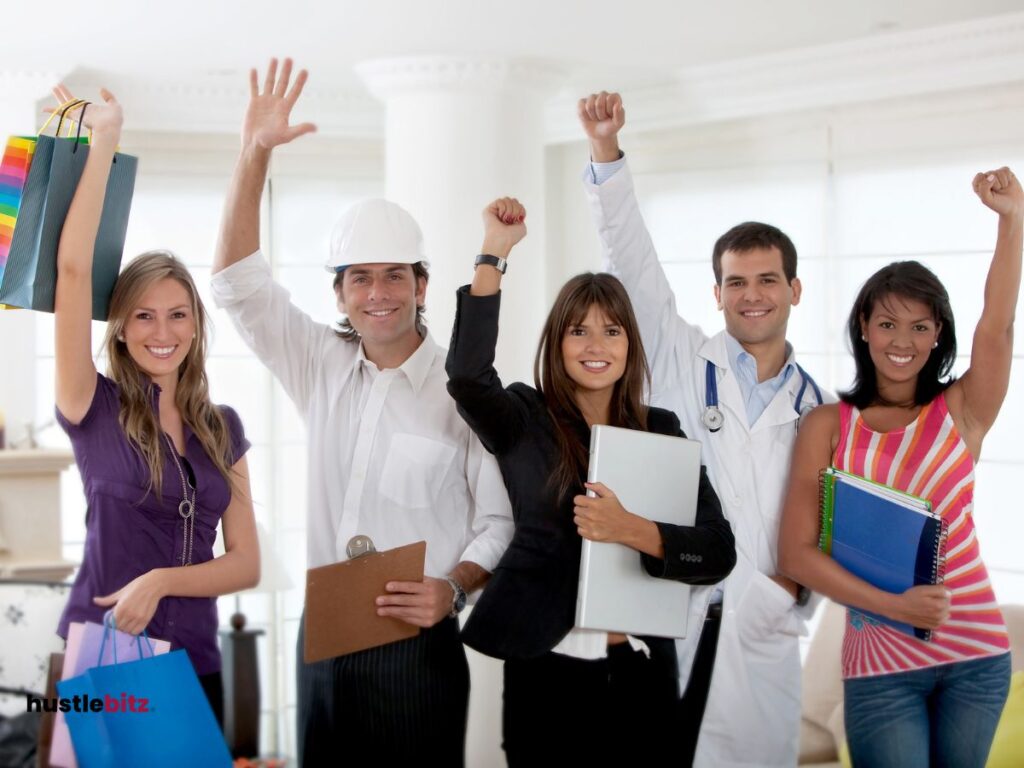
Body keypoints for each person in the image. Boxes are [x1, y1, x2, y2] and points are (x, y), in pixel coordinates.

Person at [209, 60, 514, 766]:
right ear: (341, 293)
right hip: (322, 632)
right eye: (359, 278)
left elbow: (499, 522)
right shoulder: (318, 364)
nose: (377, 292)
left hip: (417, 645)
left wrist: (455, 589)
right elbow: (233, 282)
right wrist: (254, 154)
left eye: (393, 275)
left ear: (422, 284)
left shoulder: (465, 389)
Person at [578, 90, 829, 767]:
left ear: (794, 290)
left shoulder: (823, 407)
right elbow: (631, 257)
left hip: (767, 634)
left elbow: (832, 529)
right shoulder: (683, 359)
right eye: (736, 281)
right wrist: (606, 150)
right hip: (678, 617)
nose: (753, 294)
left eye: (768, 280)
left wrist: (792, 598)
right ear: (716, 292)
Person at [445, 197, 735, 765]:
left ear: (631, 344)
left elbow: (718, 551)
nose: (595, 346)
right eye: (578, 331)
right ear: (557, 343)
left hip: (641, 675)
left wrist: (634, 530)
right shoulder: (523, 418)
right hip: (546, 672)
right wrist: (494, 253)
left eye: (611, 331)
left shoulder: (662, 430)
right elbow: (467, 378)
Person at [778, 167, 1021, 767]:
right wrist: (897, 608)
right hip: (879, 666)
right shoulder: (829, 425)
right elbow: (796, 554)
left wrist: (1012, 221)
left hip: (976, 657)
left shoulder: (962, 409)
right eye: (887, 323)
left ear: (938, 333)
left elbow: (998, 323)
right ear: (864, 327)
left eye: (919, 325)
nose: (902, 340)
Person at [51, 85, 259, 724]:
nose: (160, 331)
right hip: (104, 653)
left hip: (196, 661)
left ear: (196, 324)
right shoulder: (92, 405)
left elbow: (246, 565)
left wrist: (162, 580)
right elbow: (71, 272)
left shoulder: (223, 429)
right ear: (118, 327)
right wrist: (104, 141)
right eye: (142, 315)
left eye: (176, 315)